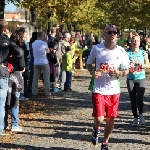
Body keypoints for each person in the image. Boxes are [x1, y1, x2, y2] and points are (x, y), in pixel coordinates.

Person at [86, 24, 130, 150]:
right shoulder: (97, 49)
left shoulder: (121, 51)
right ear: (104, 34)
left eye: (114, 32)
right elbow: (89, 64)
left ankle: (105, 143)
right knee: (99, 118)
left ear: (117, 35)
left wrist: (119, 73)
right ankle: (96, 128)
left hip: (114, 90)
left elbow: (126, 70)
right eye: (109, 32)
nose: (112, 35)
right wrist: (92, 72)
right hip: (99, 89)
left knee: (111, 119)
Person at [0, 19, 23, 136]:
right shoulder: (7, 41)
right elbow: (20, 53)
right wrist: (9, 62)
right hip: (4, 73)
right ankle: (2, 127)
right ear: (5, 29)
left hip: (5, 73)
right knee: (3, 103)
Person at [126, 33, 149, 127]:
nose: (135, 42)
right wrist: (129, 65)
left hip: (141, 78)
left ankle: (141, 115)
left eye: (137, 41)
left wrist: (142, 65)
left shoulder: (143, 52)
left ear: (140, 42)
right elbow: (123, 66)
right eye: (133, 40)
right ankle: (135, 118)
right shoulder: (127, 53)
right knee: (133, 99)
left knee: (140, 99)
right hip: (130, 79)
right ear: (131, 42)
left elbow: (148, 65)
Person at [32, 32, 51, 96]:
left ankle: (34, 92)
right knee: (46, 78)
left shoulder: (33, 43)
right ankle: (47, 92)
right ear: (41, 36)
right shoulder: (44, 43)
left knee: (35, 78)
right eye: (44, 36)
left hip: (36, 62)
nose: (44, 37)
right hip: (44, 62)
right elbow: (48, 51)